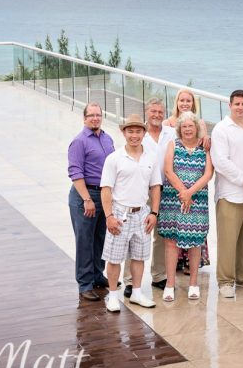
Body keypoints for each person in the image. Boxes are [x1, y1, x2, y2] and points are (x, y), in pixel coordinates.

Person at [100, 114, 161, 311]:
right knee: (115, 258)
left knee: (139, 256)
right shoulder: (114, 158)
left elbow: (155, 187)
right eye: (130, 131)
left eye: (138, 131)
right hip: (120, 213)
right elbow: (106, 189)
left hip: (142, 212)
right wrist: (109, 216)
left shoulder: (151, 158)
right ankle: (112, 295)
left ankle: (136, 292)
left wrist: (154, 213)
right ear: (124, 132)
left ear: (144, 133)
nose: (134, 135)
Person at [210, 89, 243, 299]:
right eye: (237, 104)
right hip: (230, 194)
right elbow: (221, 162)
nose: (240, 107)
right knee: (228, 241)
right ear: (229, 105)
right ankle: (225, 281)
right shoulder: (222, 129)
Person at [157, 111, 214, 302]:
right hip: (173, 199)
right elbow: (168, 170)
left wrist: (190, 193)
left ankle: (193, 284)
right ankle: (170, 285)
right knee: (171, 241)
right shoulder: (173, 144)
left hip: (197, 200)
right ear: (179, 129)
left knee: (195, 241)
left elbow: (208, 174)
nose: (188, 129)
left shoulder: (204, 148)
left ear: (196, 128)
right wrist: (183, 192)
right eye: (184, 126)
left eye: (191, 126)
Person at [67, 102, 116, 301]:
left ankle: (97, 275)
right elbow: (75, 172)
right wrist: (87, 199)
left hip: (103, 195)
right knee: (85, 241)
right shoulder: (79, 141)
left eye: (98, 115)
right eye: (91, 115)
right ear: (84, 118)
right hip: (84, 196)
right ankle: (85, 284)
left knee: (100, 238)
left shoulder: (107, 138)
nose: (95, 118)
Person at [142, 98, 176, 291]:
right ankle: (130, 280)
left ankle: (159, 275)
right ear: (147, 112)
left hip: (167, 189)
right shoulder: (140, 134)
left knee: (161, 236)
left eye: (160, 112)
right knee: (138, 233)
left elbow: (193, 131)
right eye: (153, 111)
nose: (156, 115)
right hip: (144, 190)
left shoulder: (171, 133)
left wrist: (205, 136)